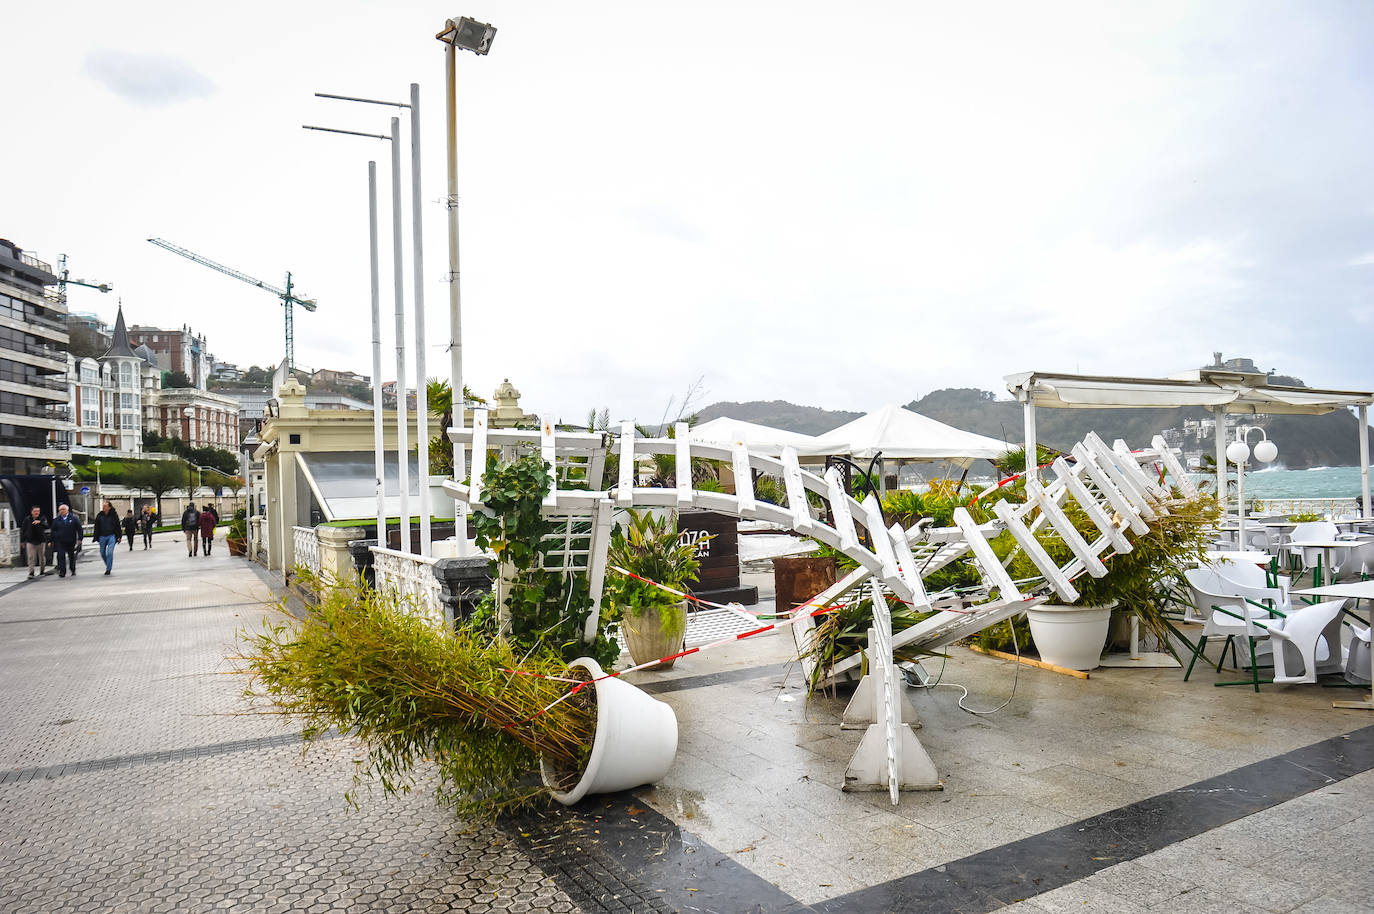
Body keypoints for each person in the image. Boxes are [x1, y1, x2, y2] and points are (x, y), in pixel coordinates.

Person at [50, 503, 82, 578]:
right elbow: (53, 530)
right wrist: (52, 539)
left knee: (71, 555)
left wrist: (80, 539)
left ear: (67, 510)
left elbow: (79, 529)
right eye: (60, 510)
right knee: (61, 555)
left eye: (63, 509)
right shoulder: (56, 520)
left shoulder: (74, 518)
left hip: (71, 540)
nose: (62, 511)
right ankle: (62, 571)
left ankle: (72, 568)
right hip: (60, 541)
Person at [92, 500, 121, 575]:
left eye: (105, 506)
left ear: (109, 507)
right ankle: (108, 564)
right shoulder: (100, 515)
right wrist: (96, 537)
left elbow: (118, 526)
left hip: (112, 535)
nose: (103, 507)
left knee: (109, 552)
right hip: (102, 536)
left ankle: (108, 569)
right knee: (102, 552)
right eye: (103, 506)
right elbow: (96, 526)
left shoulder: (113, 515)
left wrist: (119, 536)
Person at [21, 505, 48, 578]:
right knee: (31, 557)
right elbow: (23, 530)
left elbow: (47, 525)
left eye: (38, 511)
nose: (36, 512)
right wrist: (22, 541)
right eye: (35, 511)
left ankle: (42, 571)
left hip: (41, 540)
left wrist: (40, 522)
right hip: (30, 541)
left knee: (41, 557)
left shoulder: (42, 518)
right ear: (31, 512)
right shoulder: (27, 519)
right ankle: (31, 572)